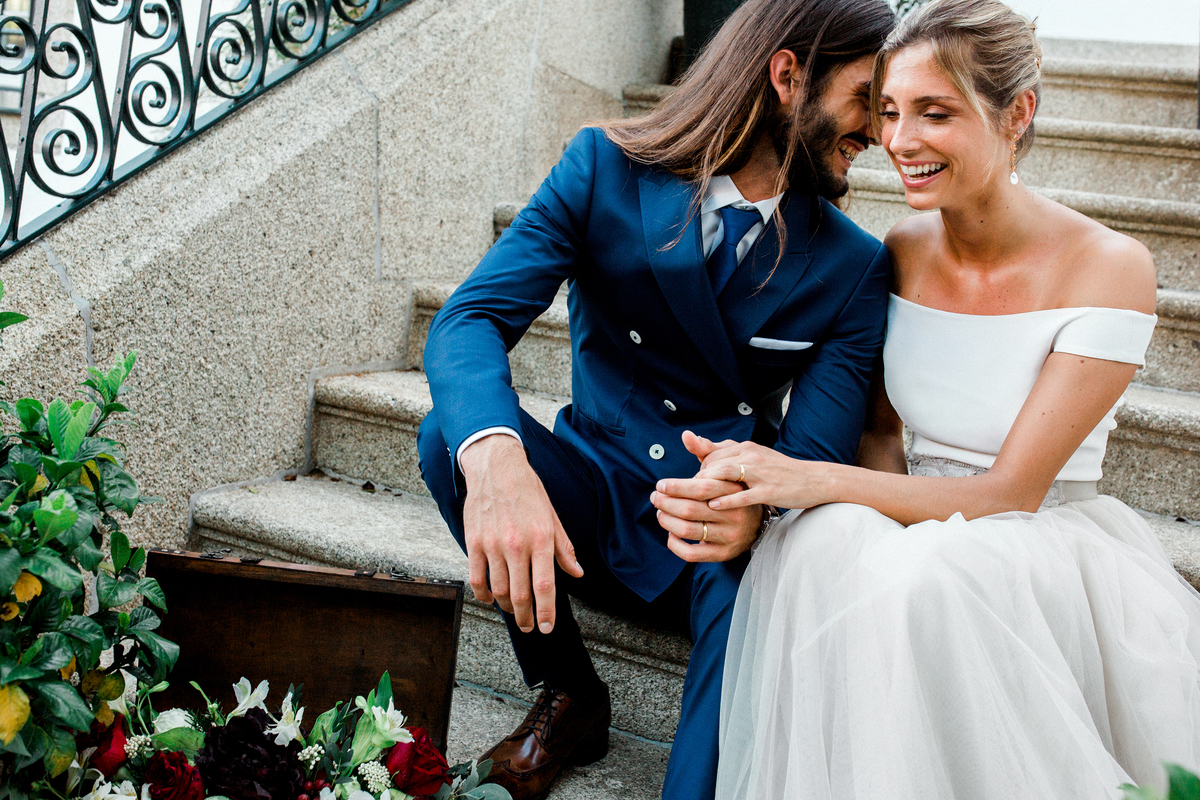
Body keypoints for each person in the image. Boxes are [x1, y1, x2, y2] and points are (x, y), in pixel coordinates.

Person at [651, 0, 1200, 796]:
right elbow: (879, 435)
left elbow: (1014, 492)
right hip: (915, 515)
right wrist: (857, 515)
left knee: (922, 577)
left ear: (1018, 113)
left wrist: (810, 478)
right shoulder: (900, 250)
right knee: (828, 548)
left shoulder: (1109, 266)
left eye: (934, 113)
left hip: (1035, 534)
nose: (899, 142)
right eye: (889, 112)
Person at [415, 0, 897, 797]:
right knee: (453, 438)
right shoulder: (604, 166)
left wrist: (758, 510)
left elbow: (813, 456)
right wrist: (499, 461)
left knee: (756, 575)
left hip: (711, 516)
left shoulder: (854, 267)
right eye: (863, 99)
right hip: (594, 492)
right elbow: (469, 318)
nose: (877, 131)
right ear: (787, 76)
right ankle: (569, 691)